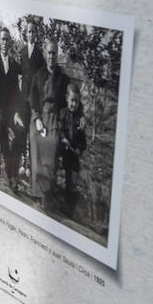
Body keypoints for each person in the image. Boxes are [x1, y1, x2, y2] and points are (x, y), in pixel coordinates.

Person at [26, 35, 68, 211]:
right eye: (49, 53)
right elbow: (32, 100)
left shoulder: (63, 79)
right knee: (36, 141)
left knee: (51, 145)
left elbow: (68, 105)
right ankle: (36, 194)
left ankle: (46, 195)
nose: (51, 56)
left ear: (57, 55)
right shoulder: (39, 75)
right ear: (45, 53)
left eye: (54, 53)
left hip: (54, 120)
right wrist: (37, 120)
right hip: (39, 116)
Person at [0, 28, 27, 191]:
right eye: (2, 39)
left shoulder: (13, 64)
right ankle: (11, 175)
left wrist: (18, 112)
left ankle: (13, 171)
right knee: (2, 130)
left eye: (7, 40)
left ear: (10, 42)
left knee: (21, 132)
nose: (4, 42)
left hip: (12, 110)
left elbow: (18, 90)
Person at [57, 82, 88, 210]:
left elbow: (82, 139)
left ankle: (69, 205)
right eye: (72, 100)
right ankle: (59, 198)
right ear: (66, 98)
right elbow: (60, 129)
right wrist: (63, 138)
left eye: (76, 101)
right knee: (62, 176)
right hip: (63, 150)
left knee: (72, 180)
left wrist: (80, 148)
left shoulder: (79, 119)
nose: (74, 104)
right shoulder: (63, 113)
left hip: (73, 155)